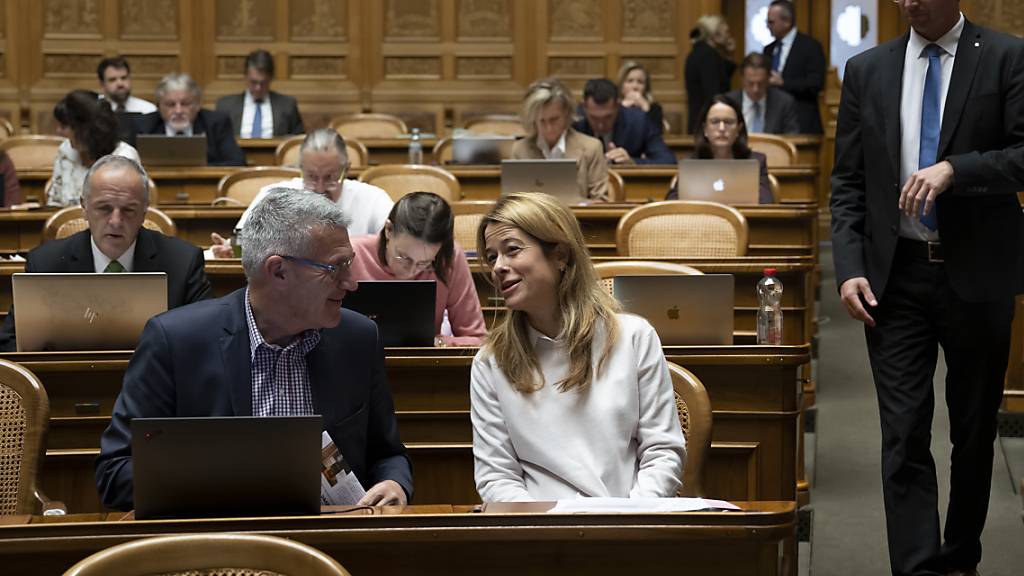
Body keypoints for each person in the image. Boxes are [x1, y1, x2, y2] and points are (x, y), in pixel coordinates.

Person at [830, 0, 1024, 574]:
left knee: (973, 431)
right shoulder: (867, 69)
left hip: (979, 274)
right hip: (896, 278)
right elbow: (847, 181)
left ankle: (960, 557)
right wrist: (848, 266)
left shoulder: (1008, 58)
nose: (910, 1)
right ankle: (916, 568)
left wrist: (956, 170)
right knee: (904, 433)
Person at [95, 188, 413, 511]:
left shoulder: (358, 339)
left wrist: (394, 482)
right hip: (218, 545)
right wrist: (231, 484)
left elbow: (388, 454)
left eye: (350, 263)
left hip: (332, 541)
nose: (351, 283)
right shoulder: (175, 342)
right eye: (336, 267)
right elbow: (115, 472)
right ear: (278, 271)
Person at [470, 192, 686, 501]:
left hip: (629, 527)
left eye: (512, 250)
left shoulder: (634, 337)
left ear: (561, 255)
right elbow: (497, 476)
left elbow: (663, 453)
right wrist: (545, 529)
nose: (498, 267)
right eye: (492, 257)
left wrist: (631, 518)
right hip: (540, 534)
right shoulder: (490, 362)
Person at [0, 155, 212, 351]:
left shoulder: (183, 263)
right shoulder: (45, 264)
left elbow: (205, 340)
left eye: (129, 210)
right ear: (84, 207)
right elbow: (11, 343)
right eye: (104, 208)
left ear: (144, 211)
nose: (116, 221)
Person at [208, 128, 393, 258]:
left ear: (347, 169)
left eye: (330, 178)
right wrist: (232, 251)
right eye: (311, 177)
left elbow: (395, 242)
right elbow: (244, 241)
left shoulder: (373, 198)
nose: (320, 188)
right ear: (301, 169)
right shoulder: (273, 196)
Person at [349, 192, 485, 347]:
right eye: (404, 257)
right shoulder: (352, 254)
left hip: (423, 364)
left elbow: (476, 338)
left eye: (425, 263)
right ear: (389, 230)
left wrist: (439, 342)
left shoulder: (449, 258)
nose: (411, 271)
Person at [510, 78, 608, 201]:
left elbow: (602, 201)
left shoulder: (591, 147)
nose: (548, 128)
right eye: (542, 121)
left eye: (554, 120)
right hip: (532, 219)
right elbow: (512, 203)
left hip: (579, 219)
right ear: (533, 119)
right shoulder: (520, 149)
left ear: (567, 114)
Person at [666, 95, 771, 204]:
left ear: (738, 129)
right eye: (715, 121)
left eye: (729, 122)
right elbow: (671, 202)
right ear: (705, 129)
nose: (721, 128)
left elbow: (766, 203)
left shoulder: (756, 161)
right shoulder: (691, 163)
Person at [47, 90, 141, 207]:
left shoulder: (124, 158)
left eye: (64, 126)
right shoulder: (65, 151)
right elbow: (54, 203)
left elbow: (130, 211)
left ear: (87, 129)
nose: (59, 131)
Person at [132, 73, 246, 166]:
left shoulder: (216, 123)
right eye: (171, 104)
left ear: (197, 105)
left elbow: (237, 162)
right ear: (159, 107)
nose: (178, 111)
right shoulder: (143, 126)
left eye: (185, 104)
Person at [573, 78, 675, 165]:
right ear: (584, 107)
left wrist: (632, 162)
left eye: (608, 117)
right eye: (594, 118)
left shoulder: (638, 122)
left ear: (618, 106)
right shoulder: (576, 125)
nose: (600, 125)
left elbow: (668, 161)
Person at [762, 0, 825, 134]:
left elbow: (816, 83)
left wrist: (783, 83)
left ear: (787, 22)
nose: (767, 26)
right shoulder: (768, 49)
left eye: (771, 22)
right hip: (772, 121)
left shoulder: (810, 46)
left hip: (802, 119)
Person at [215, 49, 305, 138]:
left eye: (263, 83)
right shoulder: (225, 106)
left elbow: (298, 141)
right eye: (253, 82)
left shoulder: (287, 105)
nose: (258, 88)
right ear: (245, 77)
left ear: (271, 78)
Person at [684, 14, 736, 134]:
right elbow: (713, 92)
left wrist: (729, 54)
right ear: (715, 35)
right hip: (707, 123)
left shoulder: (699, 52)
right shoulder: (708, 56)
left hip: (700, 119)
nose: (729, 36)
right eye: (726, 32)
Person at [726, 52, 800, 135]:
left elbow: (792, 137)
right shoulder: (728, 102)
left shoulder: (784, 103)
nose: (755, 89)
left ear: (769, 79)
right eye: (750, 83)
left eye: (761, 83)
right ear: (742, 79)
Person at [617, 61, 664, 133]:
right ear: (621, 84)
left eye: (640, 82)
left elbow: (656, 134)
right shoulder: (614, 106)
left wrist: (645, 107)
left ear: (646, 87)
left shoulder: (654, 108)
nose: (635, 86)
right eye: (630, 81)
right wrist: (623, 108)